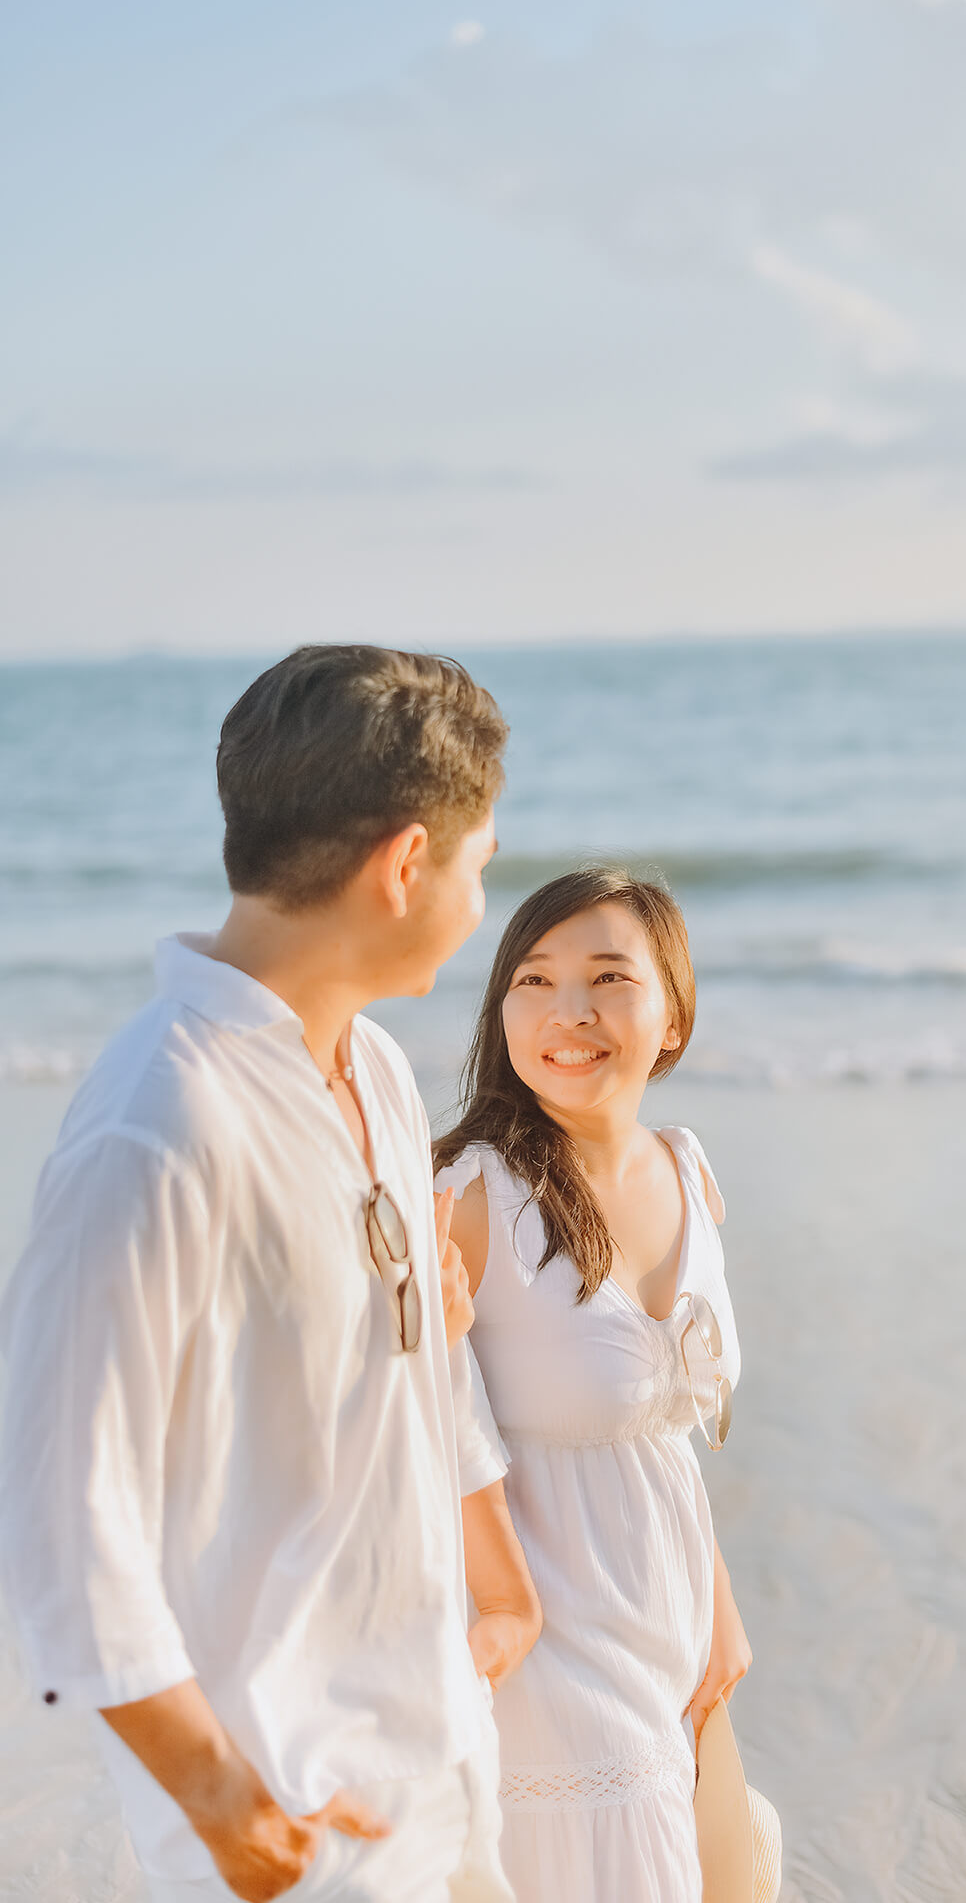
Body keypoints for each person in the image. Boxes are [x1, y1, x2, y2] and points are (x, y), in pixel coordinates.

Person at [0, 644, 540, 1903]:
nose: (477, 905)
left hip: (438, 1752)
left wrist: (497, 1577)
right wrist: (223, 1802)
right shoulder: (157, 1128)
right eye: (477, 867)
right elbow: (58, 1506)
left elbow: (419, 1353)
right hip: (291, 1814)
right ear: (406, 864)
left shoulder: (380, 1074)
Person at [433, 868, 751, 1903]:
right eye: (532, 979)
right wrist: (499, 1604)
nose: (567, 1012)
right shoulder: (472, 1193)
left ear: (672, 1013)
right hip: (547, 1629)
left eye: (607, 978)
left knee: (730, 1879)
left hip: (675, 1622)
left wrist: (721, 1605)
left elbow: (662, 1432)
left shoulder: (687, 1168)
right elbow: (398, 1416)